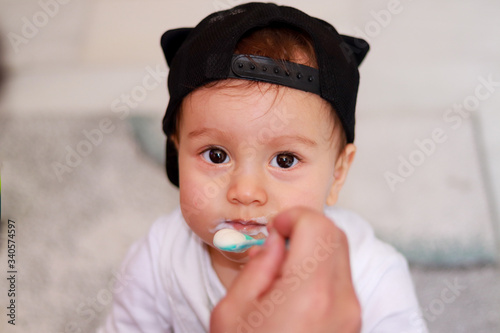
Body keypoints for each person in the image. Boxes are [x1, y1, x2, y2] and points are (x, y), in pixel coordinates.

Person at [98, 3, 427, 332]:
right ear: (177, 151)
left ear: (337, 174)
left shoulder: (371, 275)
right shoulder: (158, 263)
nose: (245, 191)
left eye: (285, 160)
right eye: (215, 155)